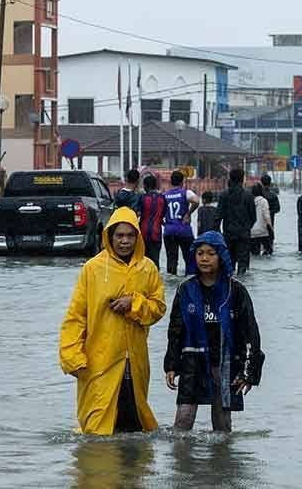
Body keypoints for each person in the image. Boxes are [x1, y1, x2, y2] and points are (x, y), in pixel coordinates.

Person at [59, 208, 167, 434]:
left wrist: (134, 303)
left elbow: (158, 308)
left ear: (137, 237)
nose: (125, 241)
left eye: (130, 236)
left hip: (135, 361)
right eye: (119, 236)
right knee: (97, 427)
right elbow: (76, 317)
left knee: (134, 424)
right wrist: (72, 358)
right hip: (99, 361)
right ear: (109, 236)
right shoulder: (93, 269)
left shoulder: (147, 269)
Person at [164, 231, 264, 432]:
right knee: (182, 421)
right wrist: (171, 364)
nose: (205, 258)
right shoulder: (186, 289)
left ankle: (222, 462)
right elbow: (176, 330)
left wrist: (249, 372)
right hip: (192, 362)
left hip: (225, 364)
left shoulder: (236, 291)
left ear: (221, 256)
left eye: (211, 253)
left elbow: (250, 333)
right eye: (200, 253)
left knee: (222, 425)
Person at [216, 168, 257, 276]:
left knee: (228, 264)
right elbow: (253, 217)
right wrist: (247, 227)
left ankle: (230, 287)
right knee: (243, 266)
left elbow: (218, 216)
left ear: (230, 178)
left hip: (228, 234)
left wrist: (218, 233)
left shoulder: (223, 195)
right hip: (243, 234)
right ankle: (241, 286)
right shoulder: (248, 195)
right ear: (242, 179)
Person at [162, 170, 199, 275]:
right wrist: (188, 214)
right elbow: (196, 201)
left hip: (169, 231)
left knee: (171, 261)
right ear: (182, 182)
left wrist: (163, 223)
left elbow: (159, 211)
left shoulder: (164, 195)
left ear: (170, 182)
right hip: (184, 231)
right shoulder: (186, 192)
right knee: (189, 259)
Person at [139, 175, 166, 267]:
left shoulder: (142, 198)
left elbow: (138, 213)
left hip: (143, 233)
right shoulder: (162, 198)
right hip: (156, 233)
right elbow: (163, 214)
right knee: (155, 262)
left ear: (146, 186)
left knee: (143, 262)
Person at [250, 182, 273, 256]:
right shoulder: (264, 201)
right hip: (263, 232)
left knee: (254, 254)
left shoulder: (249, 201)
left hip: (252, 232)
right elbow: (267, 216)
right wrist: (271, 227)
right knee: (269, 252)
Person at [260, 173, 281, 253]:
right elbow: (278, 209)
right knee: (269, 245)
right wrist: (269, 212)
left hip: (258, 223)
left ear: (261, 182)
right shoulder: (273, 195)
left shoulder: (257, 195)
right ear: (270, 183)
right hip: (270, 222)